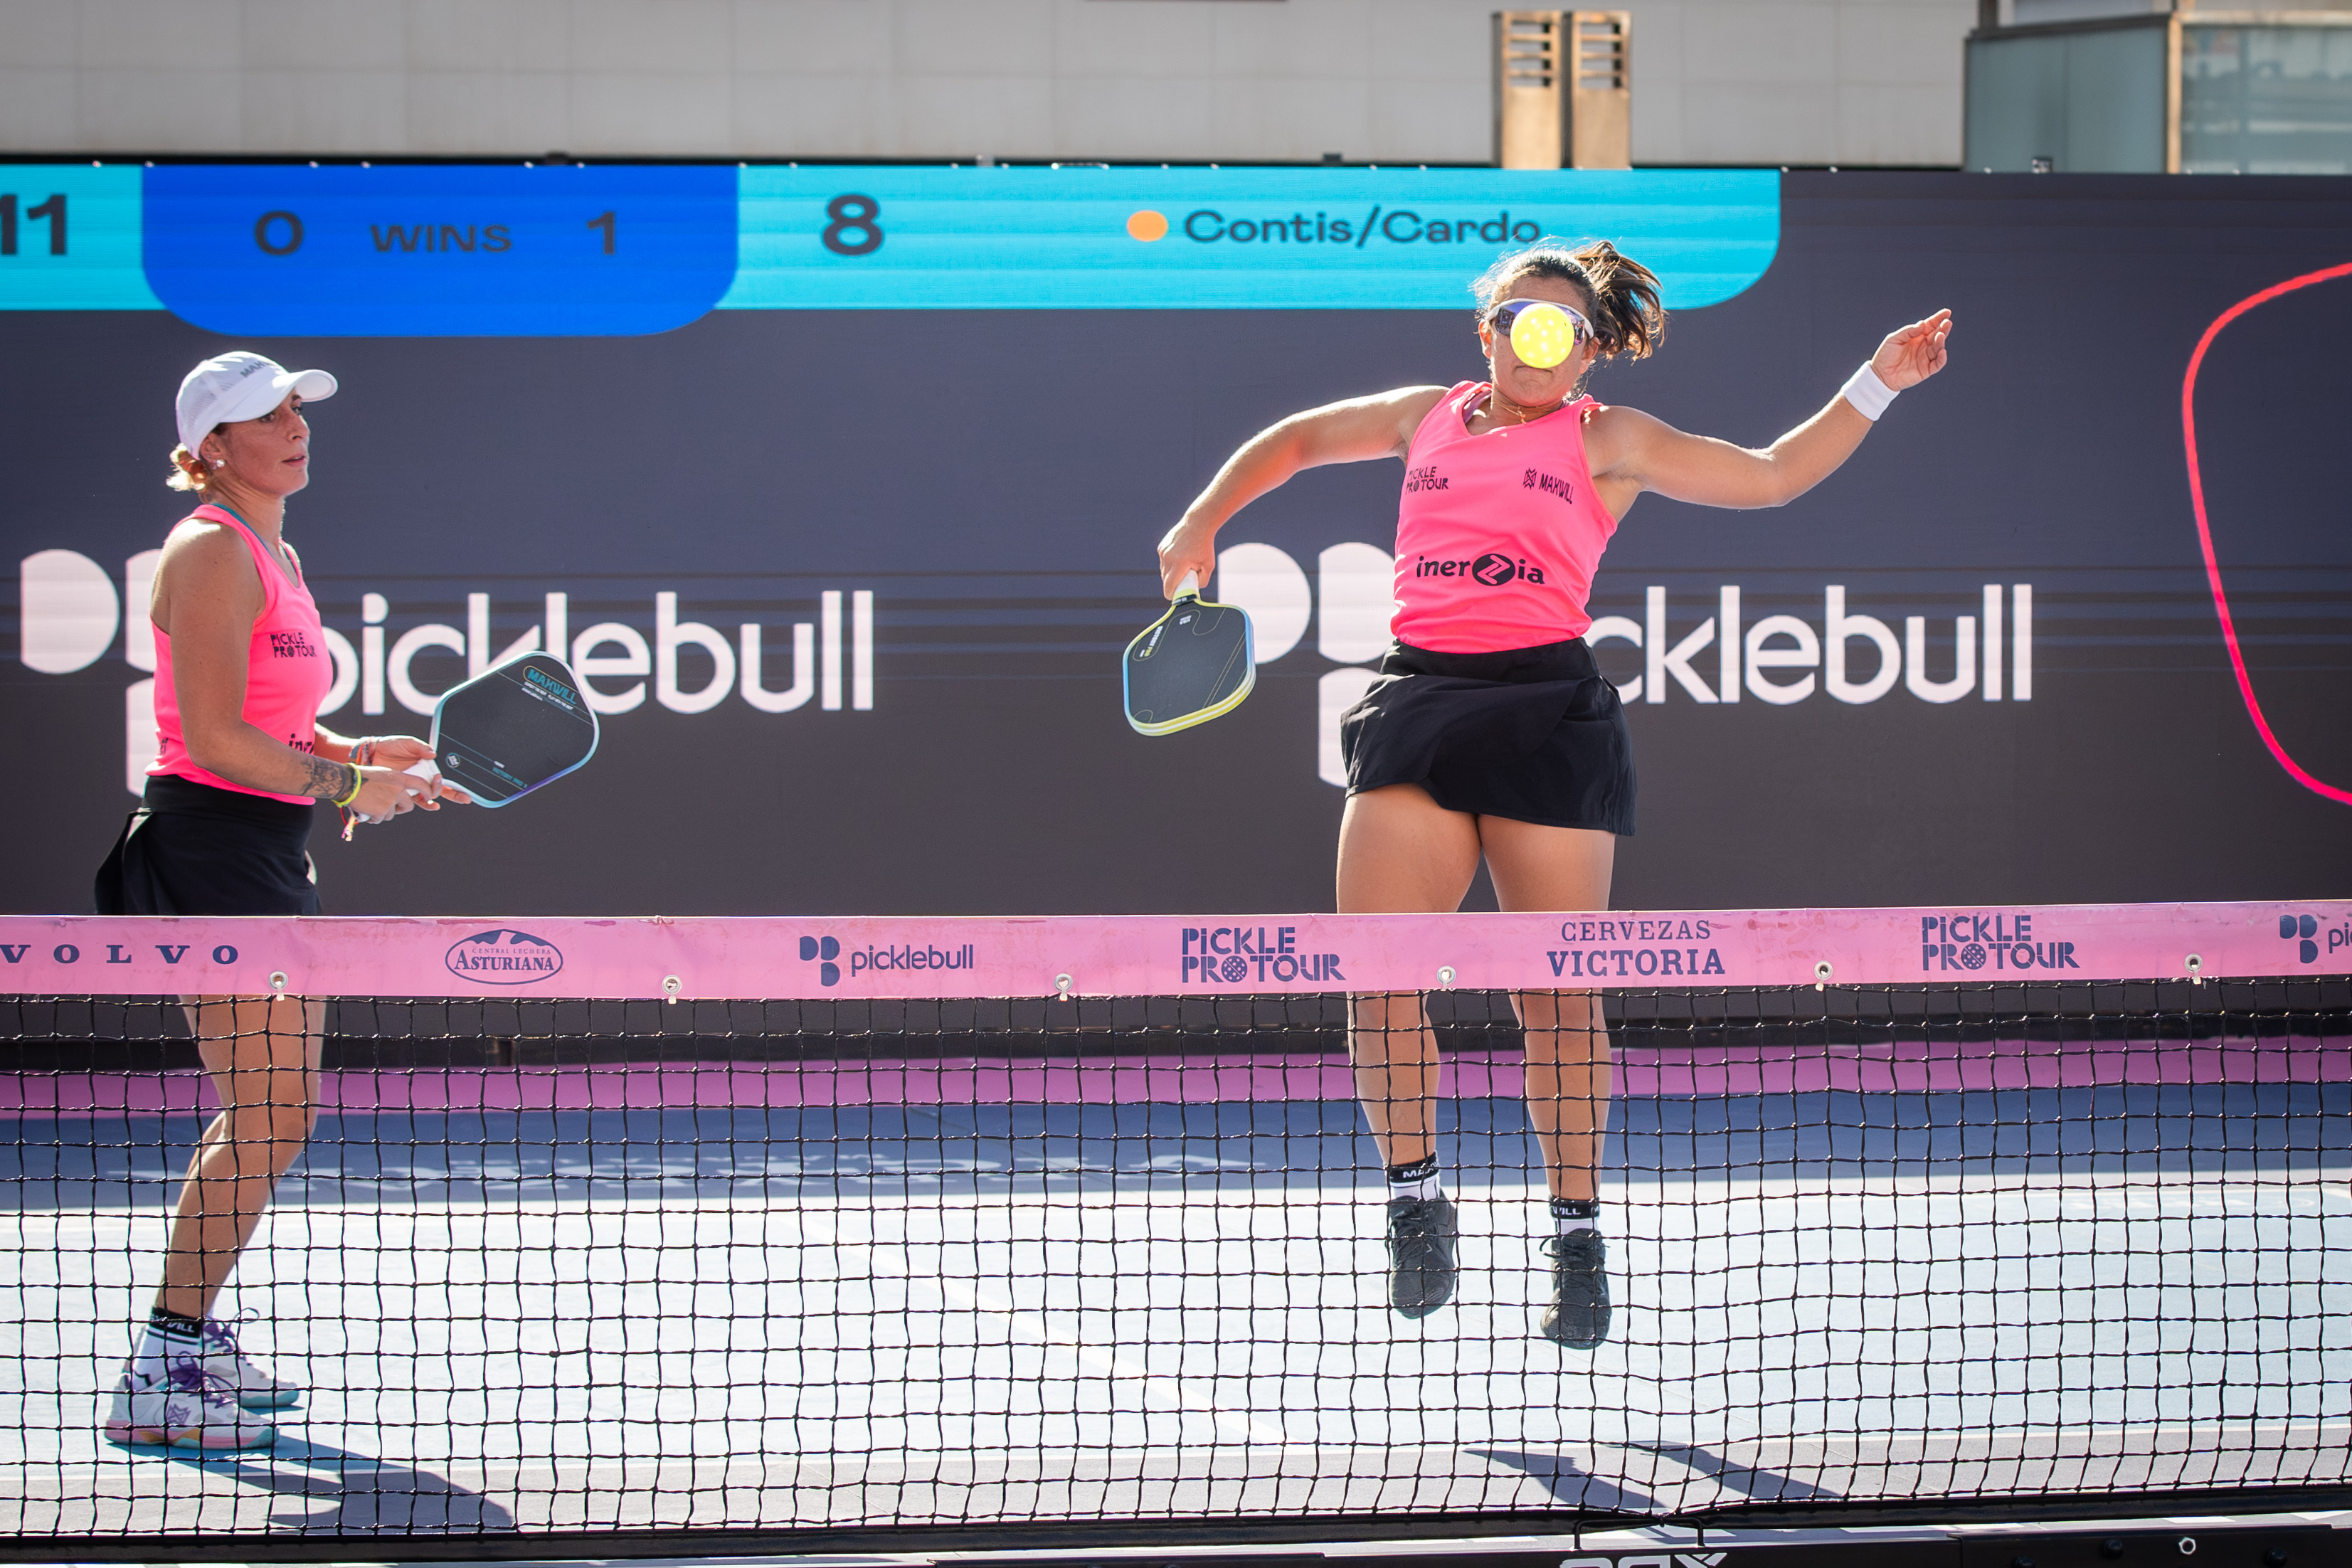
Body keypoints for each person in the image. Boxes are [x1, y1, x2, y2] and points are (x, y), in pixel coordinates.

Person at [1157, 240, 1950, 1348]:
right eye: (1517, 319)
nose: (1536, 341)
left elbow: (1771, 473)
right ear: (1486, 330)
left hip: (1548, 716)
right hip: (1416, 702)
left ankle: (1575, 1234)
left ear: (1586, 351)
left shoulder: (1607, 438)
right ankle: (1414, 1198)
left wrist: (1877, 380)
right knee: (1377, 977)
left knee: (1558, 999)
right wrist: (1201, 520)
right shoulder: (1423, 416)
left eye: (1561, 328)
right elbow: (1292, 442)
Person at [96, 351, 469, 1449]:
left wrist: (355, 751)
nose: (296, 425)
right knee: (271, 1112)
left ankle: (189, 1337)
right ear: (212, 447)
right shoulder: (209, 550)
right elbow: (213, 739)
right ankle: (163, 1366)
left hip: (262, 846)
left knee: (272, 1112)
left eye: (297, 408)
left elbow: (276, 725)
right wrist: (348, 786)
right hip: (208, 849)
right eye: (268, 415)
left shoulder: (275, 553)